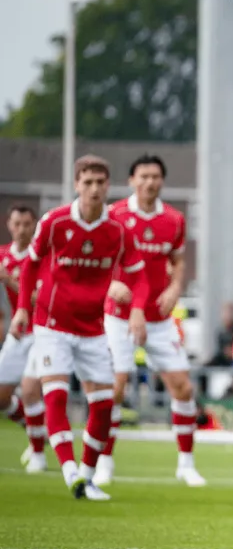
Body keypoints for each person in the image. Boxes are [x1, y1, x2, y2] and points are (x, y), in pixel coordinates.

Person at [9, 155, 150, 501]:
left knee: (103, 404)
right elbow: (30, 266)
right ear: (76, 185)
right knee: (54, 394)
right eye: (87, 182)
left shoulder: (117, 231)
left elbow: (140, 276)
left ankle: (86, 477)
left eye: (100, 182)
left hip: (93, 328)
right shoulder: (55, 222)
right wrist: (23, 309)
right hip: (51, 324)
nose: (94, 189)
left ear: (108, 185)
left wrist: (136, 308)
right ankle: (68, 469)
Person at [96, 154, 206, 487]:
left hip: (159, 318)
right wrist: (110, 283)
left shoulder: (173, 219)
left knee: (183, 388)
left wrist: (175, 287)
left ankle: (186, 464)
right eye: (143, 176)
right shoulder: (113, 215)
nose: (150, 182)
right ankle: (104, 463)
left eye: (156, 176)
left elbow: (178, 261)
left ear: (162, 181)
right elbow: (97, 261)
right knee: (115, 388)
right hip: (118, 318)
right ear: (131, 180)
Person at [0, 206, 48, 473]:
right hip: (17, 333)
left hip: (42, 331)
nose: (21, 229)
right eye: (17, 223)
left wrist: (9, 279)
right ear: (9, 224)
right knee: (1, 398)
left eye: (27, 224)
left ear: (34, 226)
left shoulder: (41, 256)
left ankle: (38, 454)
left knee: (30, 390)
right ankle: (38, 429)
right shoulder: (3, 255)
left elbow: (38, 299)